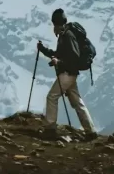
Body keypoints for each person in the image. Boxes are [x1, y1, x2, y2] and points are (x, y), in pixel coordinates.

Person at [36, 8, 98, 140]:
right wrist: (43, 50)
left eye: (55, 25)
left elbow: (73, 58)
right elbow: (59, 54)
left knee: (52, 97)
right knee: (77, 102)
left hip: (67, 74)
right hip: (70, 74)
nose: (54, 28)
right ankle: (91, 131)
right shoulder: (65, 35)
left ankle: (50, 128)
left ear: (58, 24)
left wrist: (59, 62)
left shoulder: (67, 36)